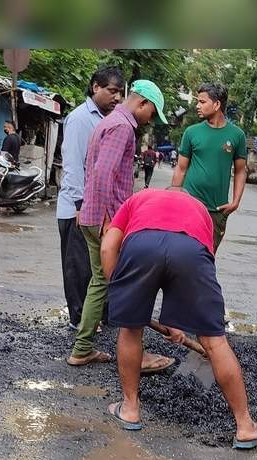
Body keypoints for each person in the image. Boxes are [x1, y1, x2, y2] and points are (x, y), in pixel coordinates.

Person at [100, 188, 257, 449]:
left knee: (131, 329)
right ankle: (246, 426)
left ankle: (130, 409)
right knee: (215, 342)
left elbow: (107, 246)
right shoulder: (200, 210)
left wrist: (120, 289)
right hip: (191, 252)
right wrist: (179, 319)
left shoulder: (137, 199)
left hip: (141, 245)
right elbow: (198, 263)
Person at [68, 79, 173, 374]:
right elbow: (102, 174)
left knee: (100, 282)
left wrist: (89, 211)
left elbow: (93, 169)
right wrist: (106, 222)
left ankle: (84, 348)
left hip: (94, 215)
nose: (150, 119)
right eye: (152, 112)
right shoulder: (122, 127)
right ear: (142, 103)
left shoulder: (109, 122)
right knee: (119, 282)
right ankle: (127, 352)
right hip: (105, 220)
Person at [57, 65, 124, 332]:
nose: (116, 97)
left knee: (97, 267)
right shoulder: (80, 119)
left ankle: (93, 318)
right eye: (112, 91)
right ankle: (77, 320)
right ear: (96, 87)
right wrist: (79, 205)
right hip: (77, 208)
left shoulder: (108, 118)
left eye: (120, 92)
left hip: (96, 211)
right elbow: (74, 165)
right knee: (78, 268)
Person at [170, 82, 248, 252]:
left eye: (202, 102)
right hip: (190, 205)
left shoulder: (237, 135)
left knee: (207, 257)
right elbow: (181, 168)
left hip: (217, 211)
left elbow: (241, 170)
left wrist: (235, 202)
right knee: (183, 253)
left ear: (217, 104)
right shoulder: (192, 132)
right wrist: (174, 198)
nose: (198, 106)